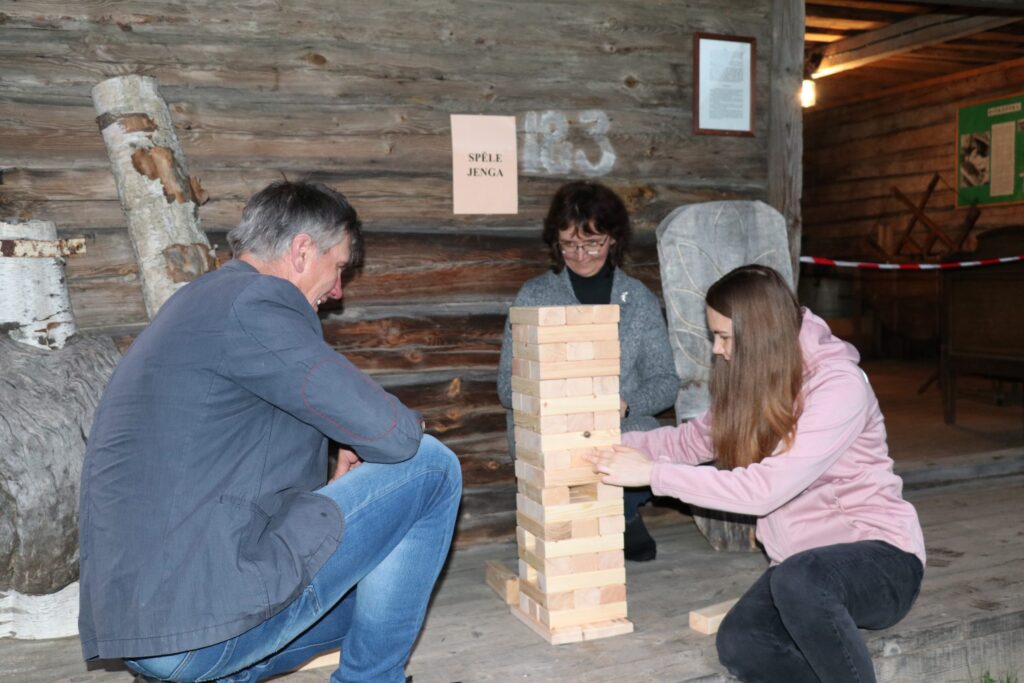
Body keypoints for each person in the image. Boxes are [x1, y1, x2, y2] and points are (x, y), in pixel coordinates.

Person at [78, 181, 462, 683]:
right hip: (194, 625)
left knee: (379, 595)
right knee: (431, 466)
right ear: (302, 251)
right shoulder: (257, 302)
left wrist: (341, 456)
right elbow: (394, 435)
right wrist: (376, 435)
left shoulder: (196, 304)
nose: (338, 290)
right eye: (338, 267)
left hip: (150, 628)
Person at [585, 264, 925, 683]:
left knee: (800, 580)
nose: (717, 349)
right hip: (800, 571)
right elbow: (689, 441)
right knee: (741, 641)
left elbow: (765, 490)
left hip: (881, 563)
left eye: (725, 337)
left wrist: (654, 475)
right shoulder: (755, 380)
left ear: (760, 334)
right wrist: (601, 445)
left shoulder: (839, 387)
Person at [497, 180, 678, 561]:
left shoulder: (638, 299)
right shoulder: (534, 295)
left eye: (592, 243)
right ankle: (605, 518)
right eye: (569, 244)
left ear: (613, 239)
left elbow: (665, 382)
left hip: (616, 425)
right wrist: (560, 406)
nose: (580, 255)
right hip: (551, 426)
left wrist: (625, 404)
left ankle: (622, 512)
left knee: (647, 438)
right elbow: (506, 387)